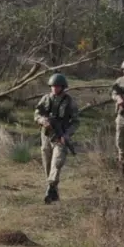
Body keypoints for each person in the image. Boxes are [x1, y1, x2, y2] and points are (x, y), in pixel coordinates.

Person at [34, 73, 79, 204]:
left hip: (60, 137)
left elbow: (76, 122)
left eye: (57, 86)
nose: (55, 88)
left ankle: (50, 188)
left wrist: (67, 134)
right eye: (53, 86)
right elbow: (36, 113)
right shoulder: (45, 99)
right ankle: (54, 191)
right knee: (47, 165)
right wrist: (42, 120)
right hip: (46, 135)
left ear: (63, 87)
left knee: (56, 163)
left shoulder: (69, 101)